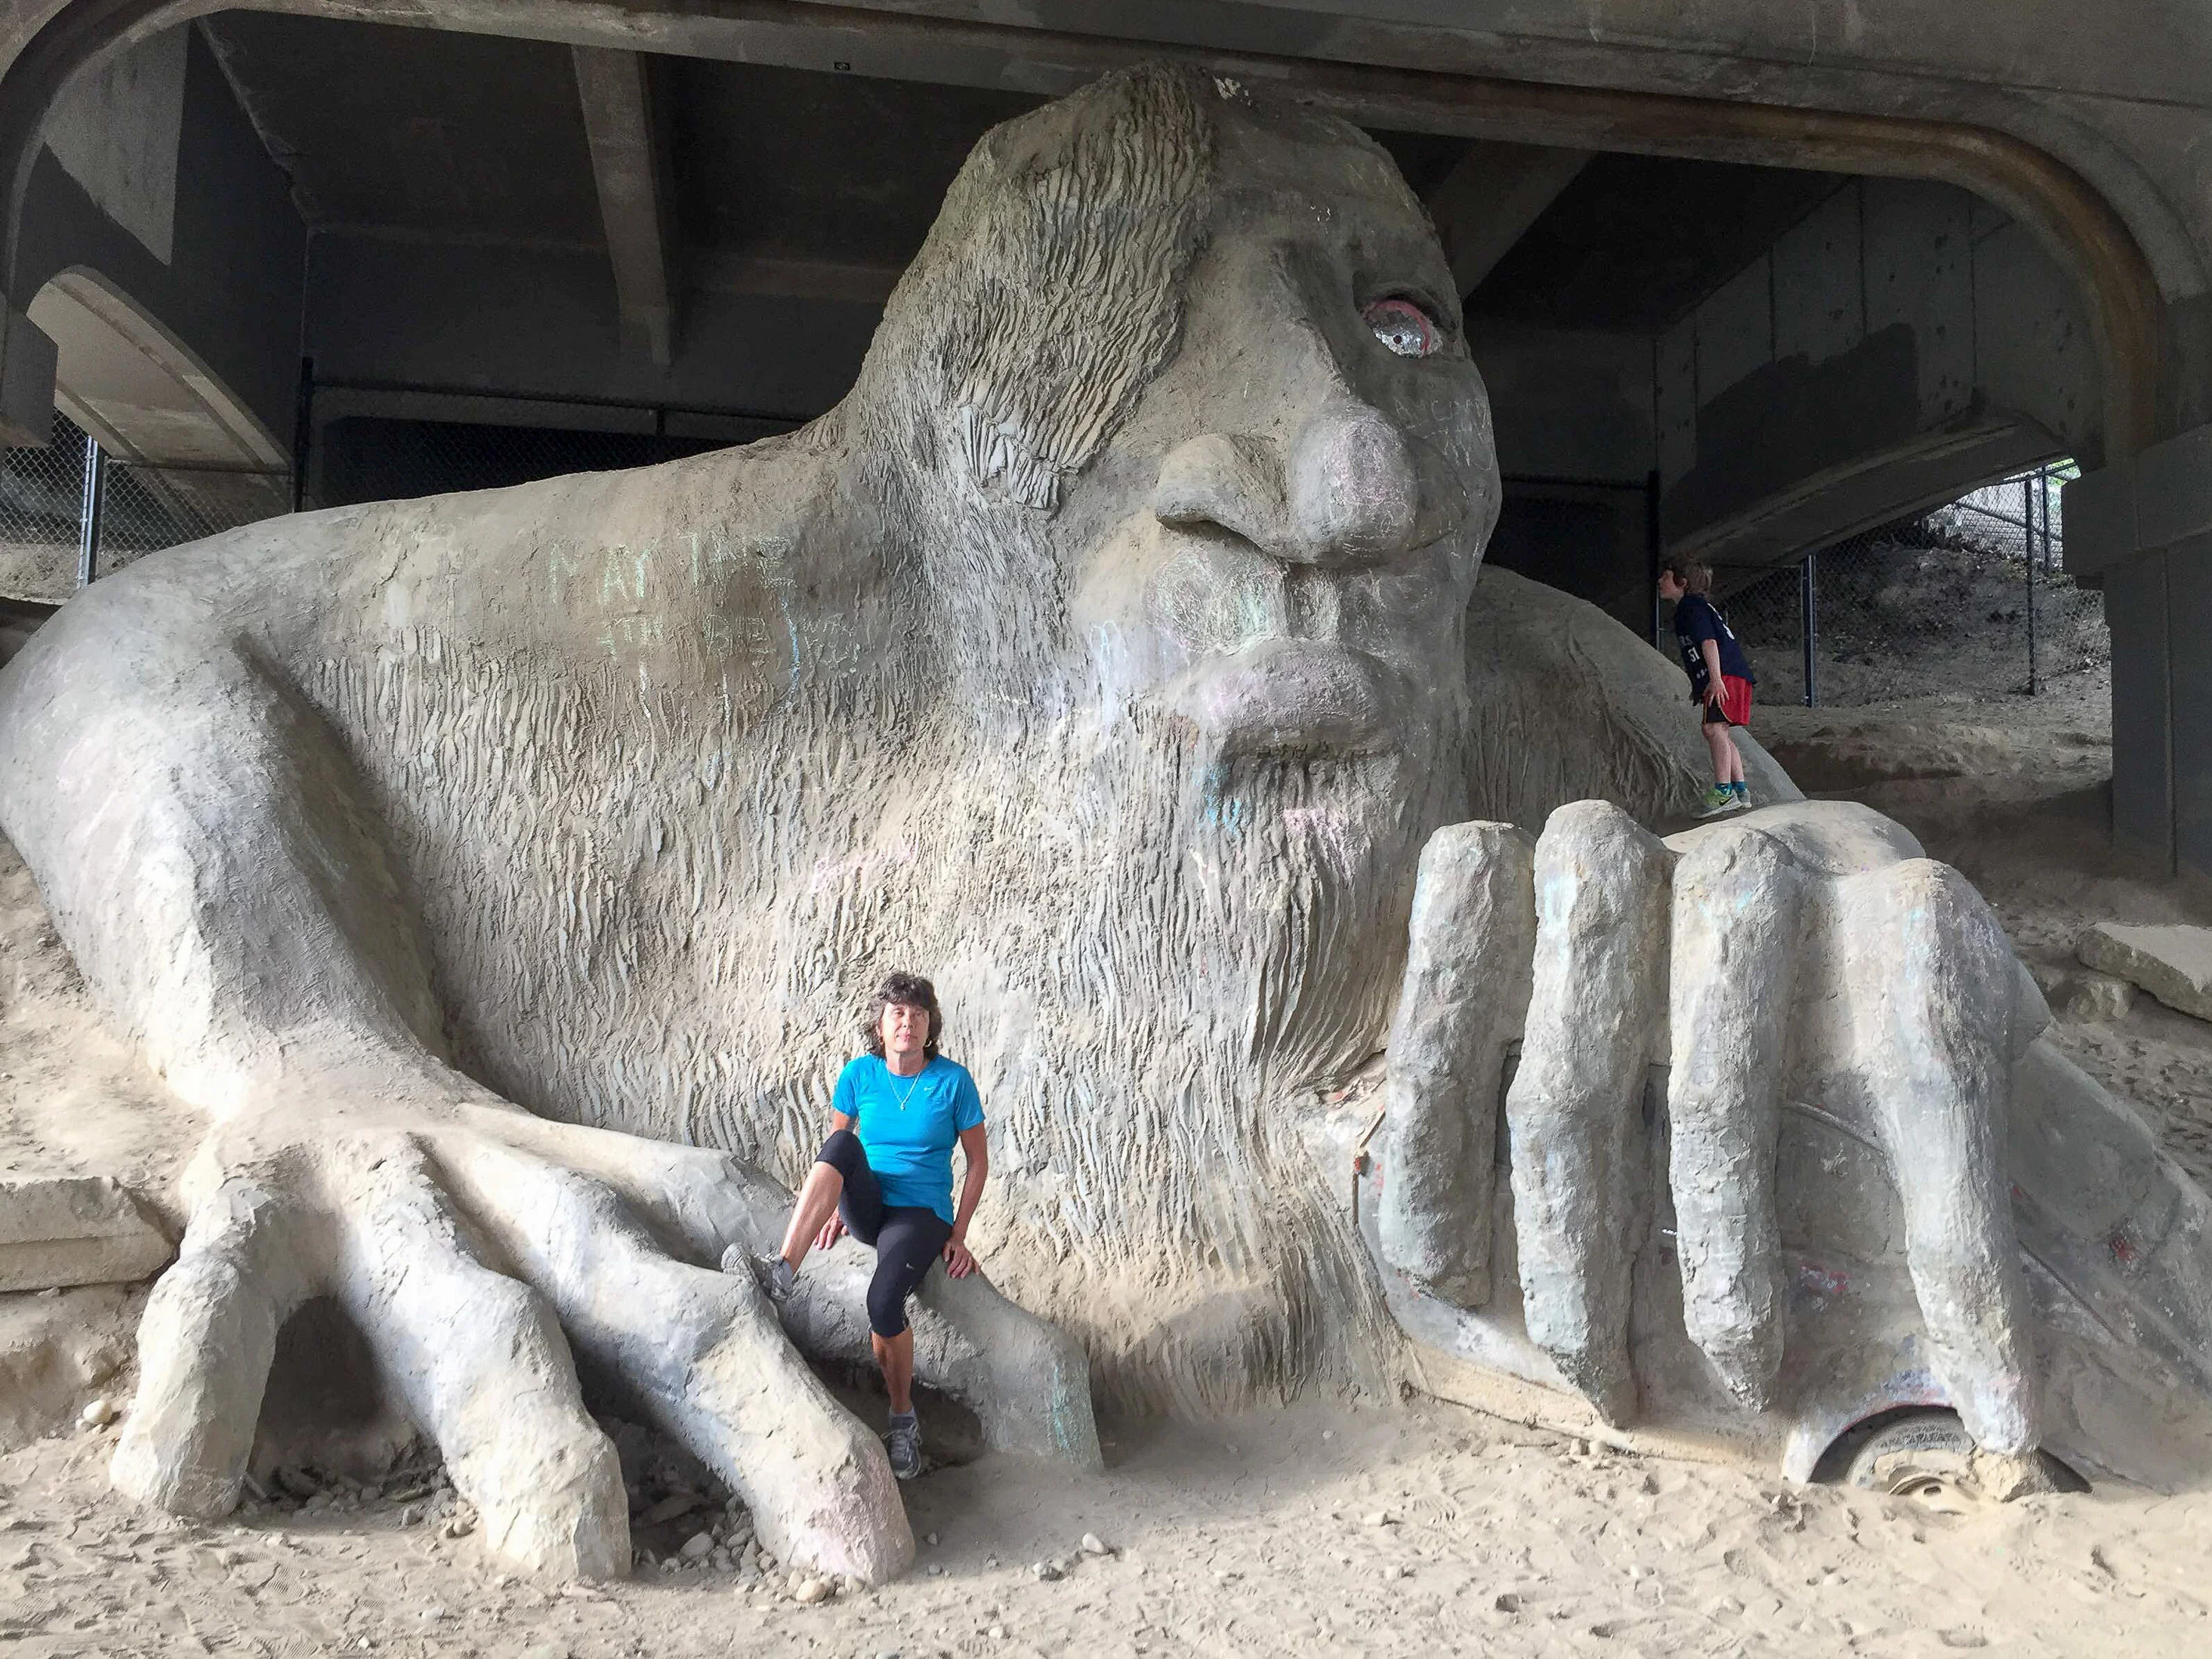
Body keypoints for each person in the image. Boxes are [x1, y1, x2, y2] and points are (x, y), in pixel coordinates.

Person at [745, 971, 987, 1479]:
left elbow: (977, 1162)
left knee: (883, 1302)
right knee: (839, 1144)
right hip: (870, 1204)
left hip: (919, 1213)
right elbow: (837, 1156)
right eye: (898, 1012)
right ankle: (785, 1268)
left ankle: (902, 1420)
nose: (908, 1021)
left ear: (929, 1026)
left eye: (918, 1014)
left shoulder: (952, 1081)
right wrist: (834, 1207)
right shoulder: (858, 1075)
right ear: (880, 1025)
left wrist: (958, 1232)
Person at [1658, 558, 1757, 816]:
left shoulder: (1691, 607)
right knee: (1719, 731)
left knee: (1713, 729)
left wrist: (1715, 679)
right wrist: (1701, 684)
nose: (1660, 581)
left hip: (1725, 675)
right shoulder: (1694, 607)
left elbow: (1709, 642)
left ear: (1683, 582)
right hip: (1729, 674)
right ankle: (1740, 790)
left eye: (1666, 576)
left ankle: (1724, 793)